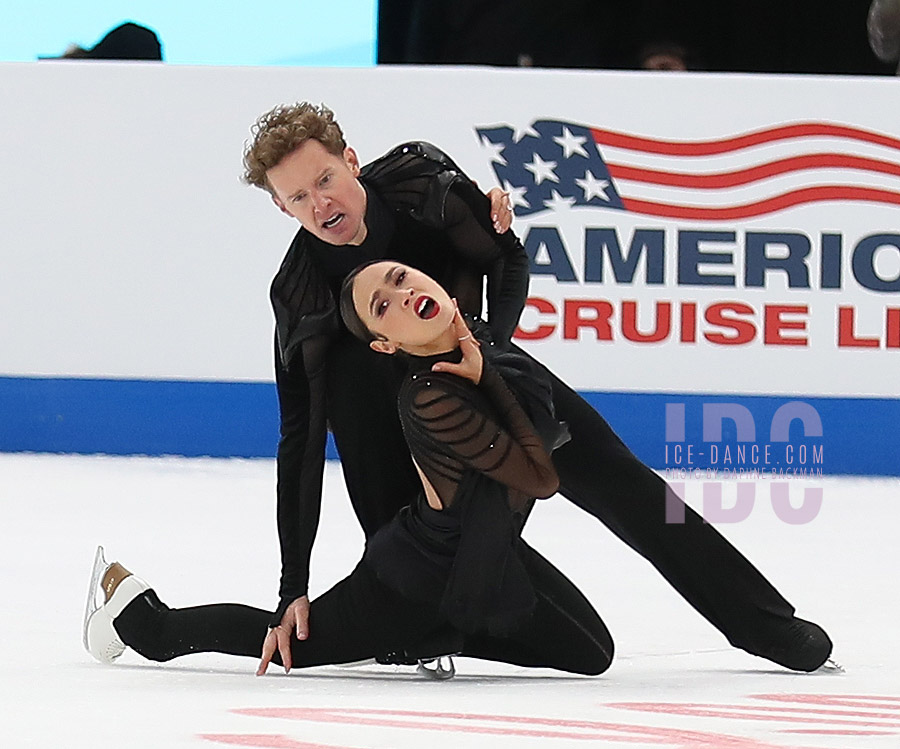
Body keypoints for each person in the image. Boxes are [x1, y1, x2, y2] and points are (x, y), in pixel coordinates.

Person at [242, 101, 835, 674]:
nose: (321, 203)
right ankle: (420, 621)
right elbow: (301, 438)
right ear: (280, 208)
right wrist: (293, 582)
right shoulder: (301, 295)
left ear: (351, 159)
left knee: (620, 479)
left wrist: (488, 358)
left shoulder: (419, 182)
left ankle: (764, 624)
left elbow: (507, 260)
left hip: (485, 363)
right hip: (391, 427)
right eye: (299, 196)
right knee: (383, 464)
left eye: (325, 179)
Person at [83, 264, 613, 677]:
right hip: (410, 583)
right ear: (386, 343)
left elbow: (503, 257)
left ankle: (432, 635)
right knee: (290, 645)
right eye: (384, 306)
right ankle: (135, 613)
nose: (402, 295)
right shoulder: (430, 397)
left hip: (485, 555)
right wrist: (491, 379)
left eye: (402, 279)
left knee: (594, 653)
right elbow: (542, 479)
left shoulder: (483, 355)